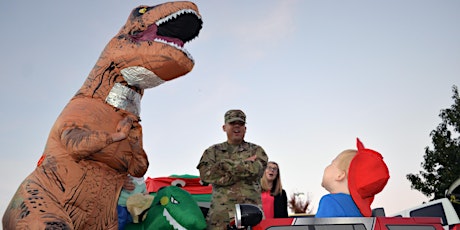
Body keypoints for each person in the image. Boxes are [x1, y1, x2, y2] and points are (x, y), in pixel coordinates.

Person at [196, 109, 269, 229]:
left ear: (245, 128)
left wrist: (224, 166)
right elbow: (206, 175)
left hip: (252, 215)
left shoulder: (257, 150)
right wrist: (244, 164)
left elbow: (256, 171)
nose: (237, 127)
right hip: (220, 218)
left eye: (240, 124)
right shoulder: (212, 151)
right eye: (232, 123)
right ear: (224, 127)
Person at [315, 138, 390, 218]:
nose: (327, 167)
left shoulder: (330, 202)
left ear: (340, 175)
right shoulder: (358, 210)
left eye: (332, 163)